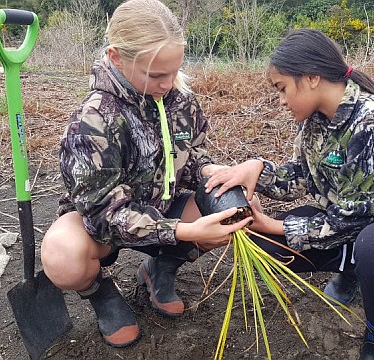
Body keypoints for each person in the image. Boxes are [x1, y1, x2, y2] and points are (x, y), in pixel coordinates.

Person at [205, 28, 374, 360]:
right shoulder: (315, 121)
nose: (282, 100)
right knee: (264, 245)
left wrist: (272, 223)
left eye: (282, 88)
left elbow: (357, 215)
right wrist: (257, 170)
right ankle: (352, 269)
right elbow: (302, 175)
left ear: (312, 77)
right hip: (341, 220)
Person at [41, 0, 252, 348]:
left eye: (175, 71)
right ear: (116, 57)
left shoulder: (180, 99)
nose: (168, 84)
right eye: (156, 75)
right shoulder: (93, 120)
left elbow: (191, 155)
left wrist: (209, 170)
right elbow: (102, 216)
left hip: (163, 206)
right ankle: (101, 294)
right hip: (105, 225)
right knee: (63, 257)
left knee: (232, 210)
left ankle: (160, 269)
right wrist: (185, 230)